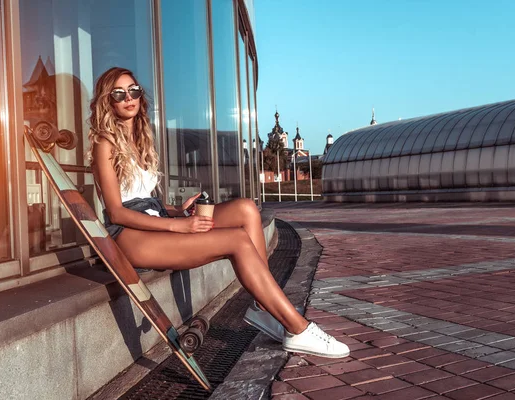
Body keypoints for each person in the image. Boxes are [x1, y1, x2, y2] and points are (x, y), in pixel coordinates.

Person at [87, 66, 349, 358]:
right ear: (107, 101)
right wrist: (179, 226)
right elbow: (117, 213)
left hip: (154, 221)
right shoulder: (104, 144)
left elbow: (142, 198)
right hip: (129, 237)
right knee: (237, 240)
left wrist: (175, 211)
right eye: (119, 94)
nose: (128, 98)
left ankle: (264, 309)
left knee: (246, 209)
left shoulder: (139, 140)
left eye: (133, 91)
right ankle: (298, 329)